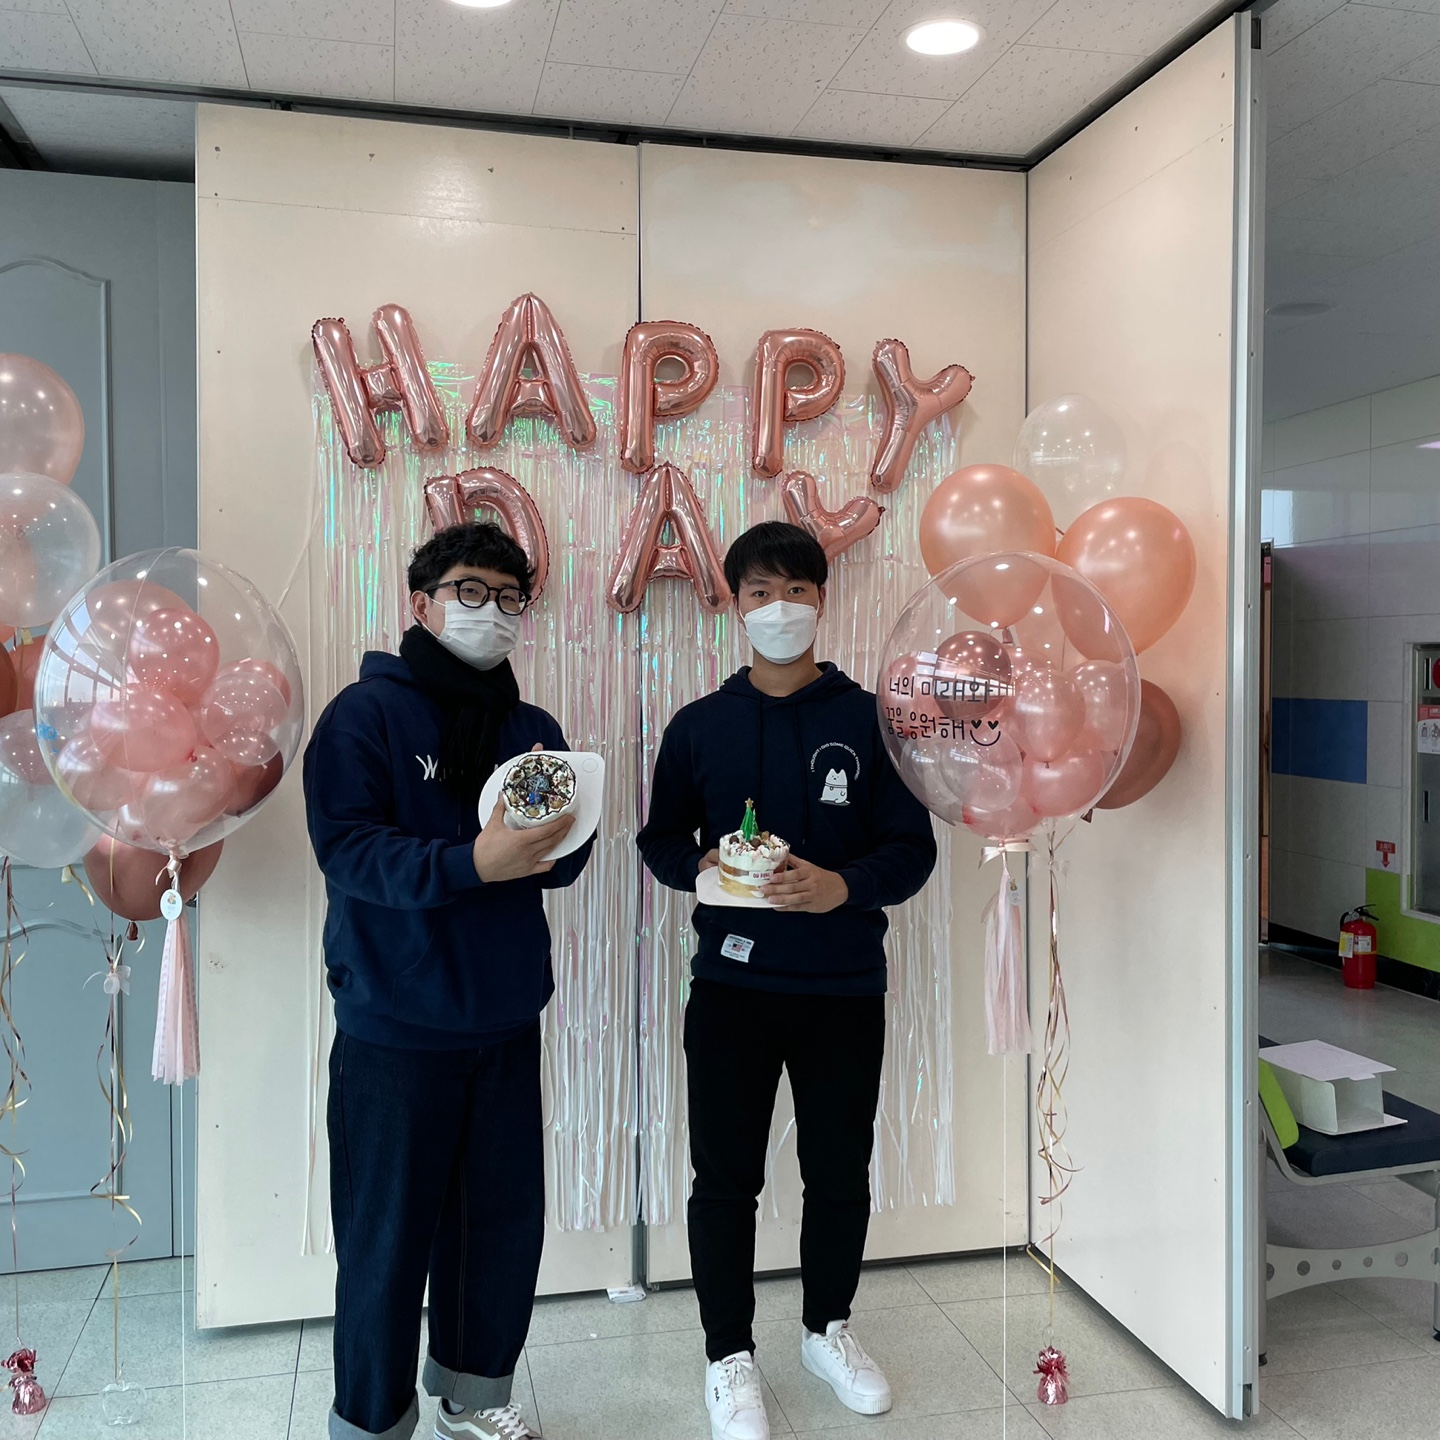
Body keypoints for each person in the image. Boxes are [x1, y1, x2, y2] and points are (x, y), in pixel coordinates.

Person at [636, 521, 938, 1440]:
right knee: (724, 1178)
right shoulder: (700, 725)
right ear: (735, 606)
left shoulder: (872, 720)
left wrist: (843, 885)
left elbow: (913, 849)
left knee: (838, 1170)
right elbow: (659, 839)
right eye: (760, 593)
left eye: (796, 590)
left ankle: (826, 1329)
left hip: (843, 986)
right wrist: (703, 867)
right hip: (731, 989)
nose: (779, 609)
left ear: (821, 602)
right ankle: (728, 1354)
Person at [304, 521, 594, 1440]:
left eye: (510, 598)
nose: (491, 612)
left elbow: (560, 861)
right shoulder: (364, 715)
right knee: (385, 1243)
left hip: (503, 1019)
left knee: (497, 1231)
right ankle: (371, 1421)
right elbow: (349, 850)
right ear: (421, 604)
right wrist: (475, 861)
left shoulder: (532, 732)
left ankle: (474, 1398)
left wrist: (552, 848)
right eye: (470, 591)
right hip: (394, 1029)